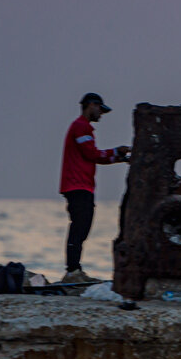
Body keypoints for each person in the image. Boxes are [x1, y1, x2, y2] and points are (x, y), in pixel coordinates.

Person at [59, 93, 131, 278]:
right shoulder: (81, 128)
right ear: (91, 105)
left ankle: (74, 267)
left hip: (80, 186)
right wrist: (116, 152)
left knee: (81, 226)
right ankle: (72, 269)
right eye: (100, 109)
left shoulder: (82, 128)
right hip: (78, 186)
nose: (101, 114)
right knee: (80, 227)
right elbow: (92, 154)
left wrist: (119, 157)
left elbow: (94, 156)